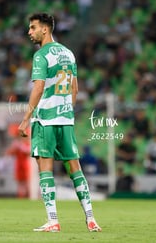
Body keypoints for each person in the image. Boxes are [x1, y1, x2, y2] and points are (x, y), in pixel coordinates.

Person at [18, 13, 101, 232]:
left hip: (45, 119)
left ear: (45, 29)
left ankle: (53, 220)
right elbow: (74, 89)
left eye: (33, 27)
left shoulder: (41, 55)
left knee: (45, 168)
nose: (29, 32)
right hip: (65, 119)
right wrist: (66, 111)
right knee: (75, 169)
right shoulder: (68, 53)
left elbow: (38, 88)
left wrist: (26, 119)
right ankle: (91, 218)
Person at [5, 125, 31, 198]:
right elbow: (10, 153)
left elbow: (28, 152)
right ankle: (20, 196)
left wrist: (21, 146)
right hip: (18, 164)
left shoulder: (26, 143)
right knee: (20, 182)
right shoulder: (16, 143)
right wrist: (14, 148)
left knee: (26, 182)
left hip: (25, 164)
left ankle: (27, 196)